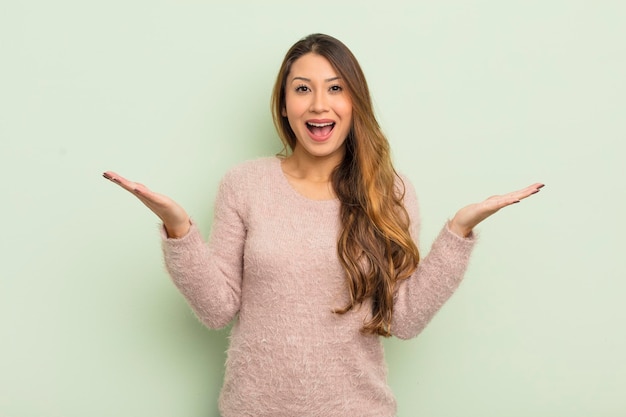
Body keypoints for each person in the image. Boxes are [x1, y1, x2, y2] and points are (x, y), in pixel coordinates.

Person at [103, 33, 543, 417]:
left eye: (335, 88)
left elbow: (404, 318)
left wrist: (459, 232)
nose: (319, 104)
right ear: (284, 102)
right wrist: (179, 229)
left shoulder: (388, 191)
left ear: (354, 102)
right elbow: (217, 308)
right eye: (302, 89)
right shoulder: (244, 184)